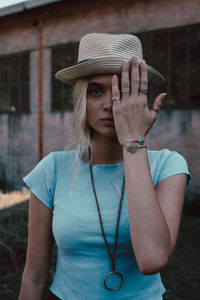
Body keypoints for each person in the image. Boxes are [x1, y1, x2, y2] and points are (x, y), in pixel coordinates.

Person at [19, 33, 191, 300]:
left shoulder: (168, 165)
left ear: (140, 96)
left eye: (123, 90)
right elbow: (34, 277)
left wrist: (133, 141)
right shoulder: (51, 170)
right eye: (96, 91)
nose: (110, 105)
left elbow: (152, 259)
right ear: (81, 101)